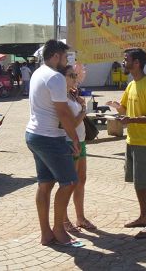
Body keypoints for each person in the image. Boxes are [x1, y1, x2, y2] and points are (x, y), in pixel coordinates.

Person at [25, 39, 83, 247]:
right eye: (65, 57)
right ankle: (59, 230)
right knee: (69, 182)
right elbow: (63, 113)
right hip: (49, 137)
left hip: (34, 134)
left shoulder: (37, 73)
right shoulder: (55, 78)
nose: (67, 61)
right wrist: (75, 139)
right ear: (56, 56)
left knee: (45, 183)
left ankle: (46, 233)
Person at [106, 48, 146, 239]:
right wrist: (116, 107)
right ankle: (143, 217)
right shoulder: (131, 85)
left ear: (136, 63)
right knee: (138, 183)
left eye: (126, 59)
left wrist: (131, 120)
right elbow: (125, 108)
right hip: (132, 140)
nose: (123, 62)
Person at [59, 65, 96, 233]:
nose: (74, 78)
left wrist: (81, 105)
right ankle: (63, 219)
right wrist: (83, 110)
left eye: (75, 75)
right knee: (70, 183)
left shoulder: (72, 95)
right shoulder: (61, 98)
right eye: (70, 75)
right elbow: (71, 124)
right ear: (61, 78)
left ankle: (80, 217)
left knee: (81, 179)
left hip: (80, 141)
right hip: (69, 142)